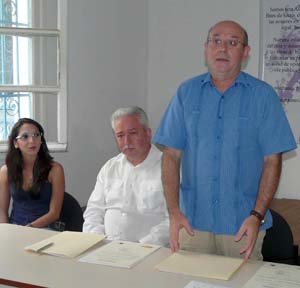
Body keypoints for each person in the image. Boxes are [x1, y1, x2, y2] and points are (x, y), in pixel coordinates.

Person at [153, 20, 297, 260]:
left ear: (245, 52)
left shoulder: (263, 96)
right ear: (206, 48)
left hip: (242, 227)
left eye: (233, 43)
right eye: (216, 41)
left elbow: (272, 161)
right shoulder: (186, 93)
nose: (223, 48)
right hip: (192, 225)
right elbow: (171, 155)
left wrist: (257, 215)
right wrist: (174, 211)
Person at [83, 106, 169, 246]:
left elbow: (172, 219)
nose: (127, 141)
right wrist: (98, 240)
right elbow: (94, 210)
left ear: (148, 133)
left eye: (133, 133)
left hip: (150, 250)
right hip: (106, 248)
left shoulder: (168, 168)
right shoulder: (110, 167)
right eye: (120, 135)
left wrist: (143, 245)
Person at [0, 118, 65, 228]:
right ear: (16, 143)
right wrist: (5, 232)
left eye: (36, 135)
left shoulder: (55, 169)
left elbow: (54, 213)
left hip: (46, 229)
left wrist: (28, 229)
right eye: (25, 137)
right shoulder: (5, 171)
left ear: (41, 140)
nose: (32, 140)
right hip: (16, 227)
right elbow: (1, 211)